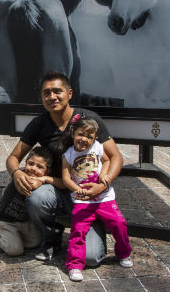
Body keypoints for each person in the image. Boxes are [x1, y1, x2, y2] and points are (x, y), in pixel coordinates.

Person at [5, 70, 124, 263]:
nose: (52, 97)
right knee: (38, 197)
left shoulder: (89, 120)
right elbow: (13, 157)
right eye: (46, 93)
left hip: (91, 197)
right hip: (59, 190)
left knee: (91, 258)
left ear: (69, 94)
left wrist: (103, 185)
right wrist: (16, 173)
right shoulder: (39, 123)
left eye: (57, 91)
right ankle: (51, 238)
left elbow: (115, 156)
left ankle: (92, 230)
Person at [61, 117, 132, 282]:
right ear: (73, 133)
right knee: (78, 230)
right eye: (80, 134)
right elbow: (66, 178)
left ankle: (124, 253)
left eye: (89, 137)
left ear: (94, 138)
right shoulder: (68, 154)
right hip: (82, 200)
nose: (84, 139)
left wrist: (103, 176)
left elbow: (107, 160)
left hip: (104, 198)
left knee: (119, 223)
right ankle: (75, 265)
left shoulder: (98, 148)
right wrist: (77, 189)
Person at [0, 146, 53, 256]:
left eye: (40, 167)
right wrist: (42, 179)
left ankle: (11, 238)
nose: (33, 169)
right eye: (31, 164)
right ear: (25, 163)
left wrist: (45, 179)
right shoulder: (21, 176)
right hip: (7, 221)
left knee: (36, 242)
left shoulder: (43, 179)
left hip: (25, 222)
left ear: (47, 171)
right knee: (15, 250)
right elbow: (33, 184)